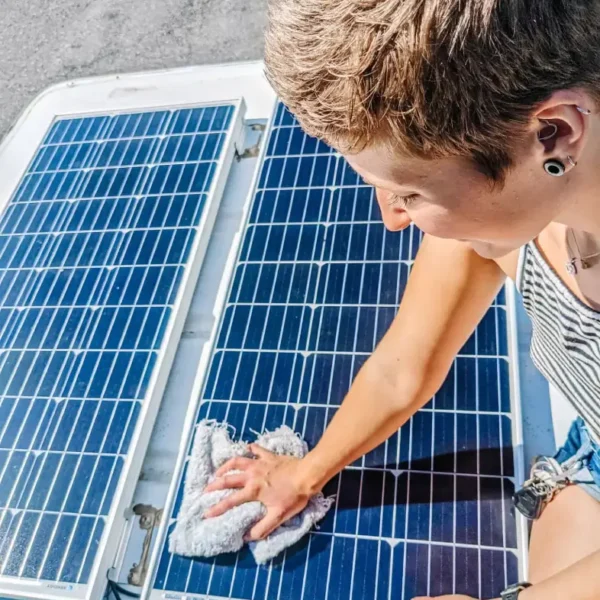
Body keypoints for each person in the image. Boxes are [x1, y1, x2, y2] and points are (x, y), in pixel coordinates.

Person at [204, 1, 600, 598]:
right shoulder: (506, 227)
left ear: (554, 131)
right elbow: (404, 366)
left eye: (409, 192)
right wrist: (304, 476)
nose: (392, 221)